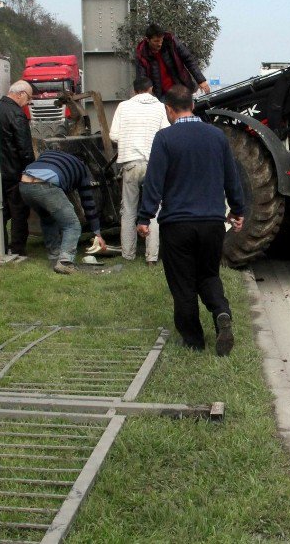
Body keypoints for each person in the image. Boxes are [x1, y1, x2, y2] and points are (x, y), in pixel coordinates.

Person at [137, 85, 245, 356]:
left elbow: (154, 181)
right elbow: (232, 177)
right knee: (208, 274)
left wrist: (145, 216)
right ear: (193, 106)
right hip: (212, 223)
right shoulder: (217, 137)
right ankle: (221, 312)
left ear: (169, 109)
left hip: (177, 224)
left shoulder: (164, 138)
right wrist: (237, 210)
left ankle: (194, 341)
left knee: (183, 282)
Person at [109, 76, 169, 265]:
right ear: (151, 89)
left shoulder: (123, 107)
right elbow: (165, 133)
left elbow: (114, 135)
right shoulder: (160, 107)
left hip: (130, 163)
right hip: (154, 164)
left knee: (128, 209)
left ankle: (128, 254)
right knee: (154, 209)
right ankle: (151, 257)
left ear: (134, 91)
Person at [19, 149, 106, 274]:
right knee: (72, 225)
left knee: (47, 219)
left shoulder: (49, 154)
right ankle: (65, 262)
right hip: (46, 185)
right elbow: (88, 204)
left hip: (24, 185)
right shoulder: (81, 168)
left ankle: (54, 258)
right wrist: (97, 233)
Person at [0, 80, 35, 255]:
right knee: (19, 213)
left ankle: (0, 247)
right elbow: (24, 148)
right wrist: (30, 171)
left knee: (0, 213)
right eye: (28, 98)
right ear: (21, 94)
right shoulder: (17, 114)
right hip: (15, 172)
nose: (28, 103)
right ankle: (18, 249)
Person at [134, 23, 212, 97]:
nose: (159, 44)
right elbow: (142, 78)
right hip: (160, 95)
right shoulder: (142, 53)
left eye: (161, 40)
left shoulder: (171, 42)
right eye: (156, 41)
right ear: (148, 40)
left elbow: (188, 59)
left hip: (181, 89)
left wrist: (201, 81)